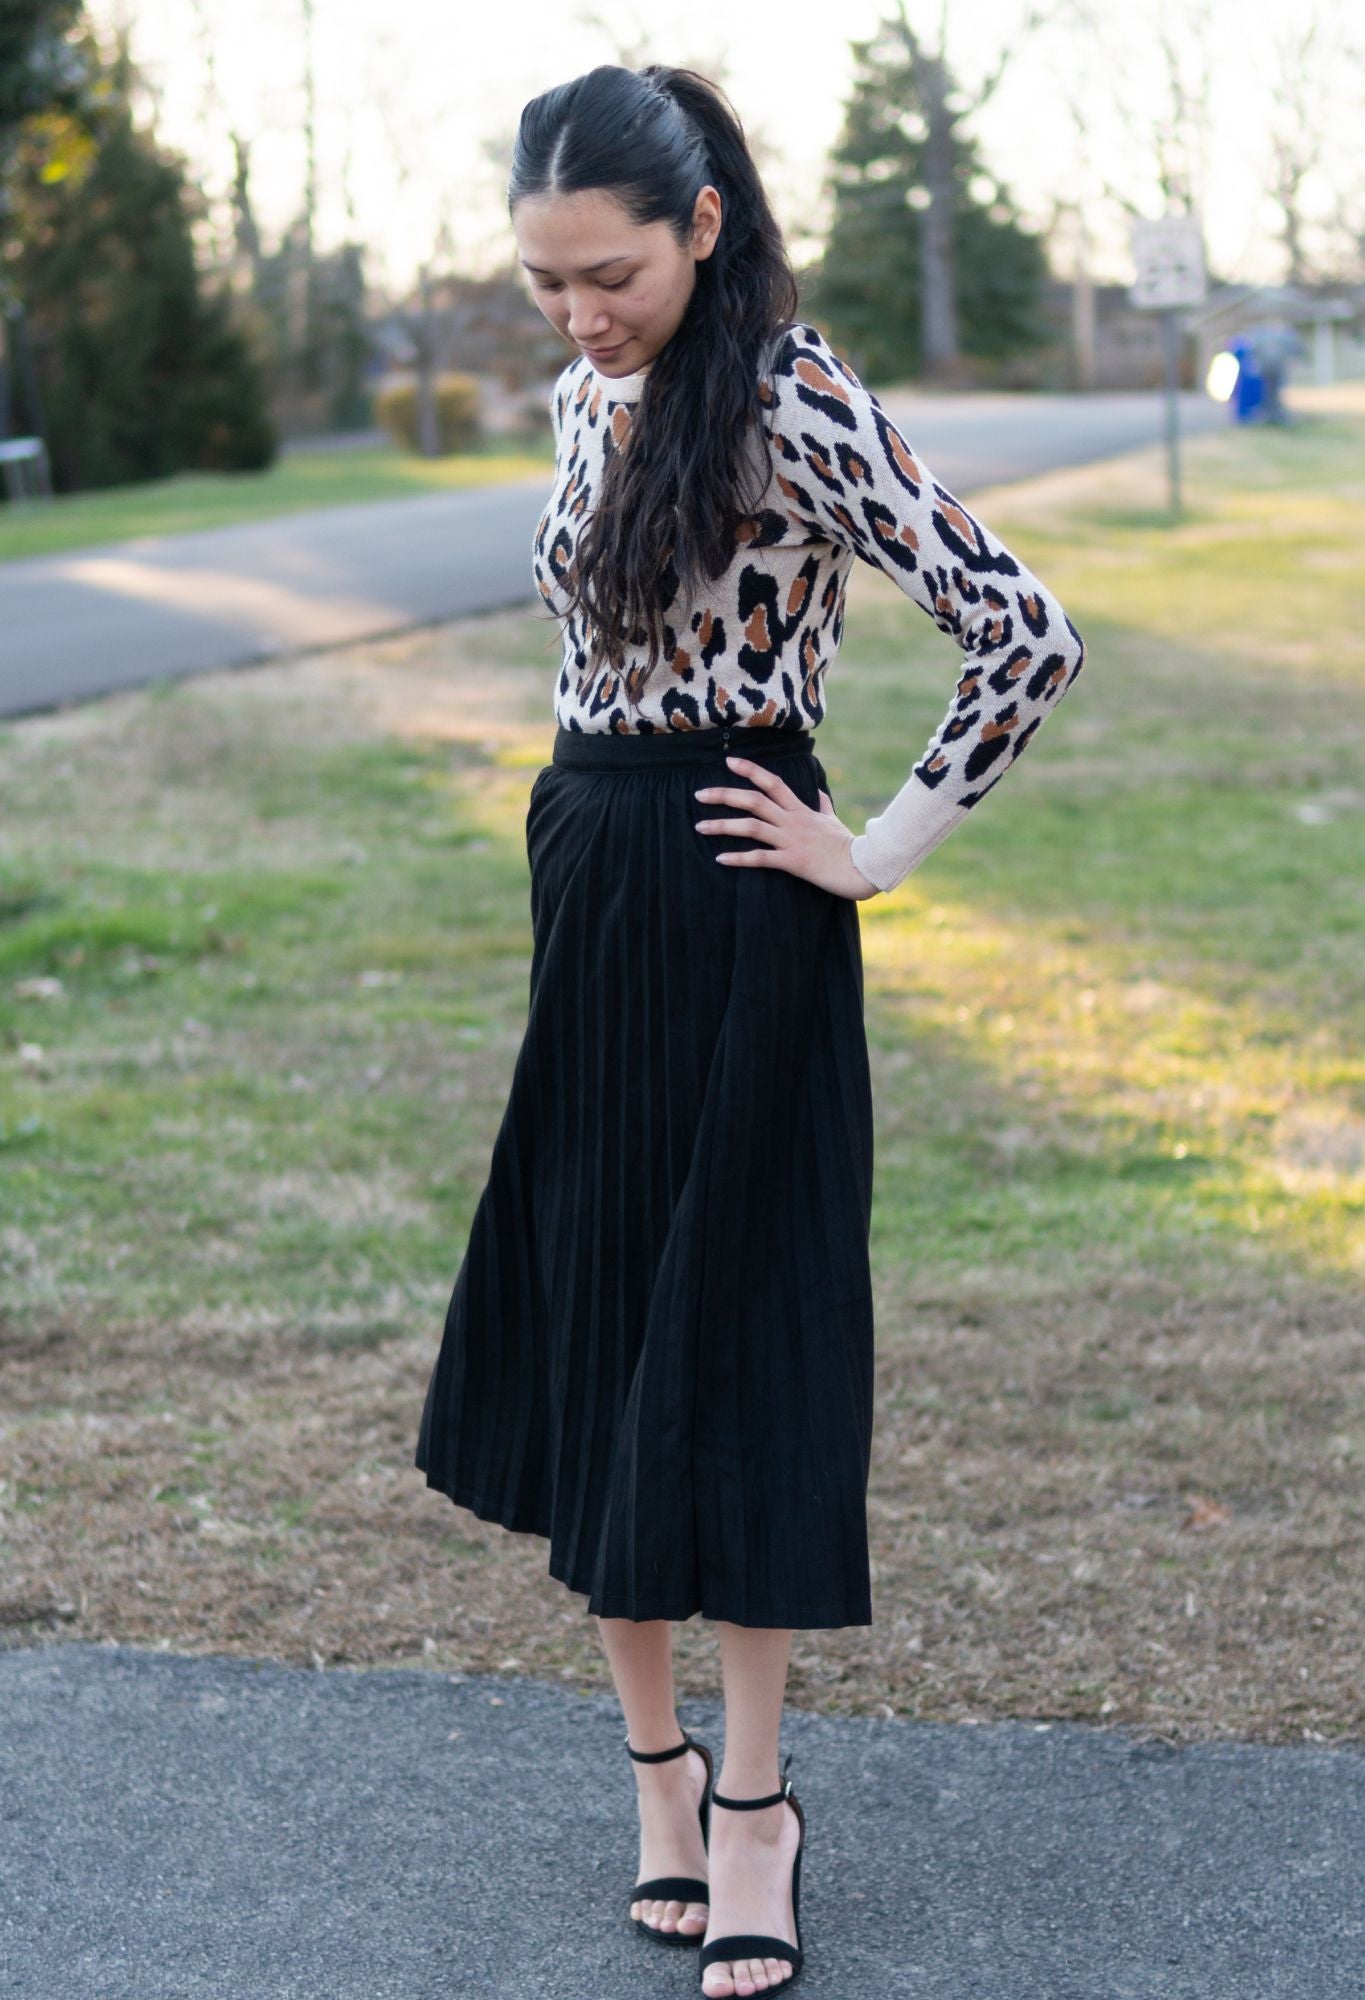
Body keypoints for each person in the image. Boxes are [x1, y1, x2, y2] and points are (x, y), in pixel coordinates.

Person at [414, 61, 1087, 1999]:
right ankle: (653, 1775)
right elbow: (584, 639)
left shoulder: (791, 393)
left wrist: (872, 846)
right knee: (604, 1325)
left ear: (701, 226)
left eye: (605, 272)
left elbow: (1017, 626)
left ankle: (758, 1804)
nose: (576, 312)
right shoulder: (578, 391)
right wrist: (570, 826)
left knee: (740, 1327)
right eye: (544, 280)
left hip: (744, 884)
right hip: (597, 875)